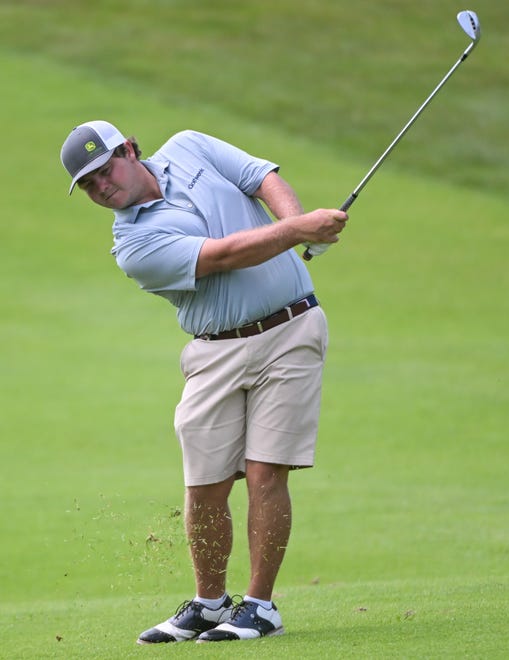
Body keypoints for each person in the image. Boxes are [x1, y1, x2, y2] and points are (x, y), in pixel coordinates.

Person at [60, 120, 347, 644]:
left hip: (290, 329)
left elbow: (262, 178)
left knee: (265, 473)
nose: (101, 187)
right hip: (213, 353)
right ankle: (211, 603)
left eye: (104, 170)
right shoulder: (133, 245)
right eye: (88, 185)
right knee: (205, 485)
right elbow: (224, 256)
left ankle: (260, 607)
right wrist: (299, 231)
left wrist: (298, 221)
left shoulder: (191, 146)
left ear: (128, 150)